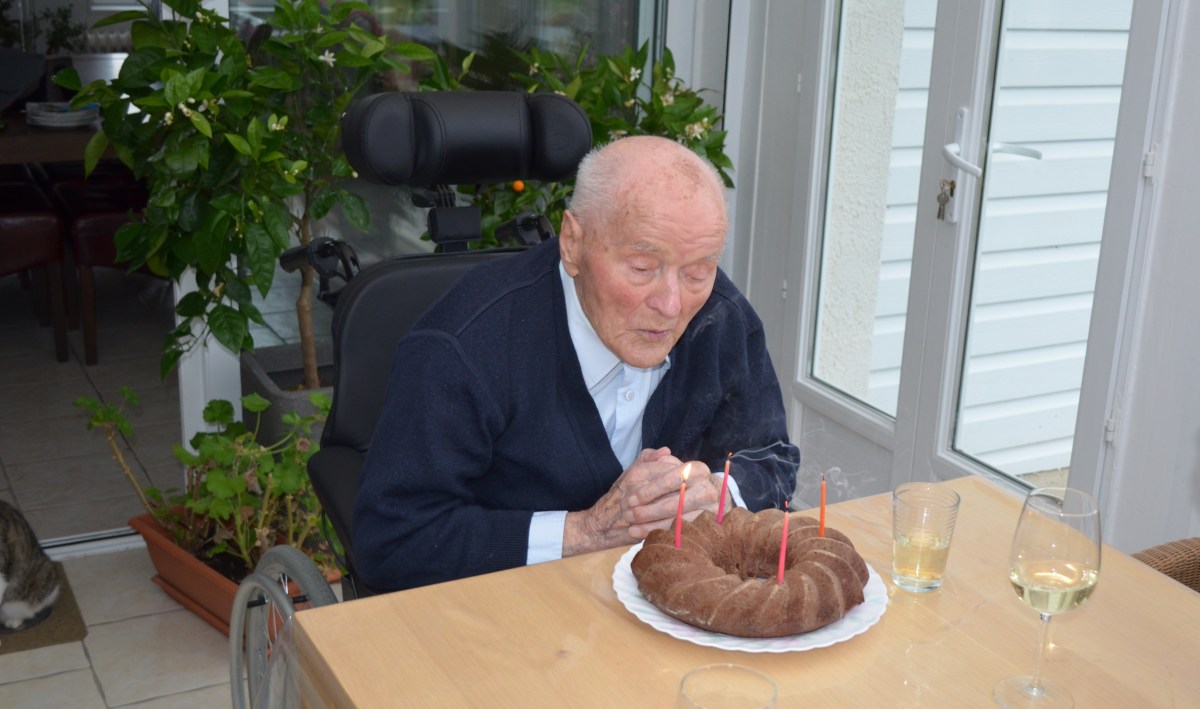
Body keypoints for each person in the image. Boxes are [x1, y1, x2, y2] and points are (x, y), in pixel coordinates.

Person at [353, 135, 799, 591]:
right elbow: (391, 539)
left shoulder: (721, 319)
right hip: (500, 600)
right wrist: (586, 532)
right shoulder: (463, 345)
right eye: (642, 268)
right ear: (572, 243)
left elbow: (772, 459)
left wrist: (717, 496)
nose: (671, 305)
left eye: (698, 272)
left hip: (661, 598)